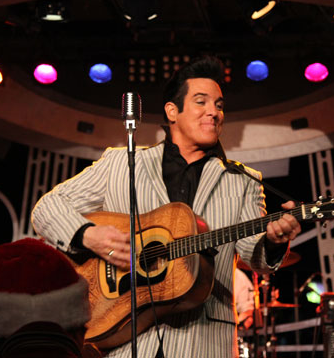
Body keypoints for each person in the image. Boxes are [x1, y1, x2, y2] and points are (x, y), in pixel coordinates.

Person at [32, 56, 301, 357]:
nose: (214, 112)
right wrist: (87, 235)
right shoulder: (121, 162)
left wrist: (275, 242)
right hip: (125, 339)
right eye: (201, 102)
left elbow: (255, 256)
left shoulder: (243, 180)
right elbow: (47, 207)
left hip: (206, 342)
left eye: (220, 105)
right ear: (172, 111)